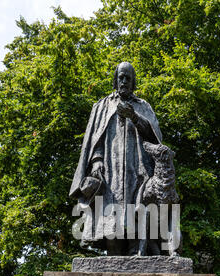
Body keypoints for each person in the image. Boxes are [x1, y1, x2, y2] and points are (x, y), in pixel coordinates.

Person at [69, 62, 165, 255]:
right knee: (110, 218)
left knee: (137, 214)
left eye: (128, 78)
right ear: (115, 79)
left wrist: (135, 117)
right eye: (121, 77)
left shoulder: (143, 106)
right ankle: (113, 257)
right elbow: (95, 138)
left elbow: (156, 139)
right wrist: (96, 160)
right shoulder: (102, 106)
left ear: (133, 82)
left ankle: (136, 253)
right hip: (110, 171)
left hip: (137, 169)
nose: (124, 81)